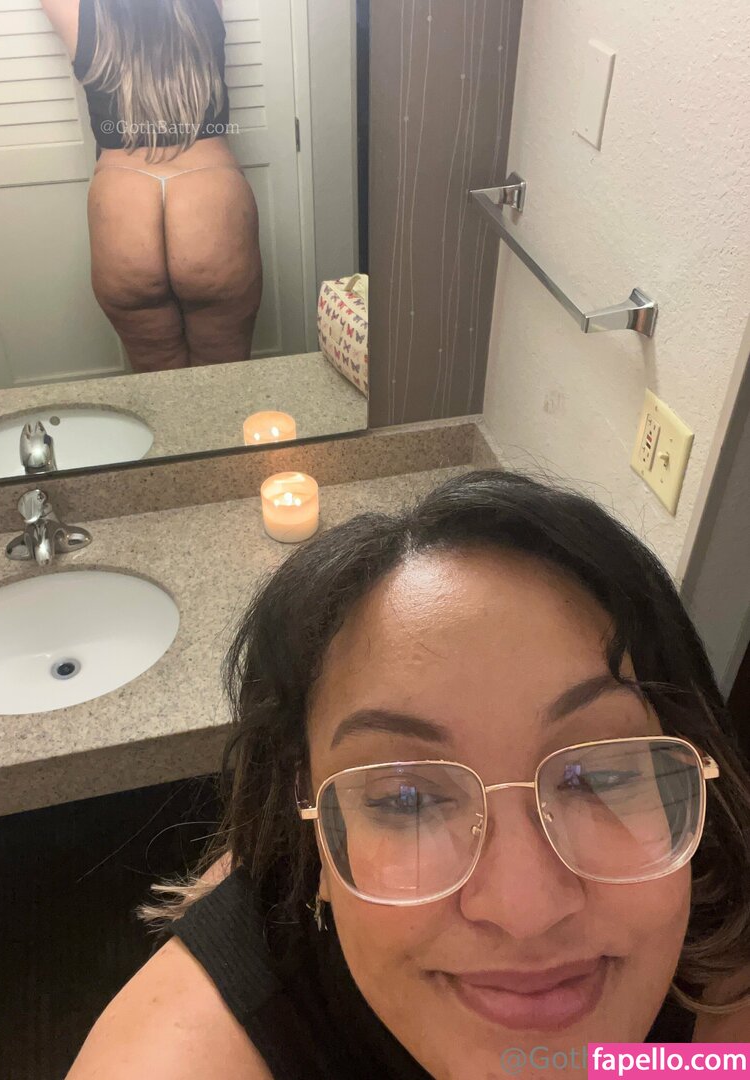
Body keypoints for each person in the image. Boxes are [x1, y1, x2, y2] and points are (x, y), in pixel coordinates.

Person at [66, 470, 750, 1079]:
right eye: (407, 799)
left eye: (599, 778)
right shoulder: (191, 1052)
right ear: (311, 829)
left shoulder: (717, 956)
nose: (525, 911)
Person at [42, 0, 263, 373]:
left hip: (123, 205)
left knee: (158, 388)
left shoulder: (69, 8)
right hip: (210, 199)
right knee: (226, 384)